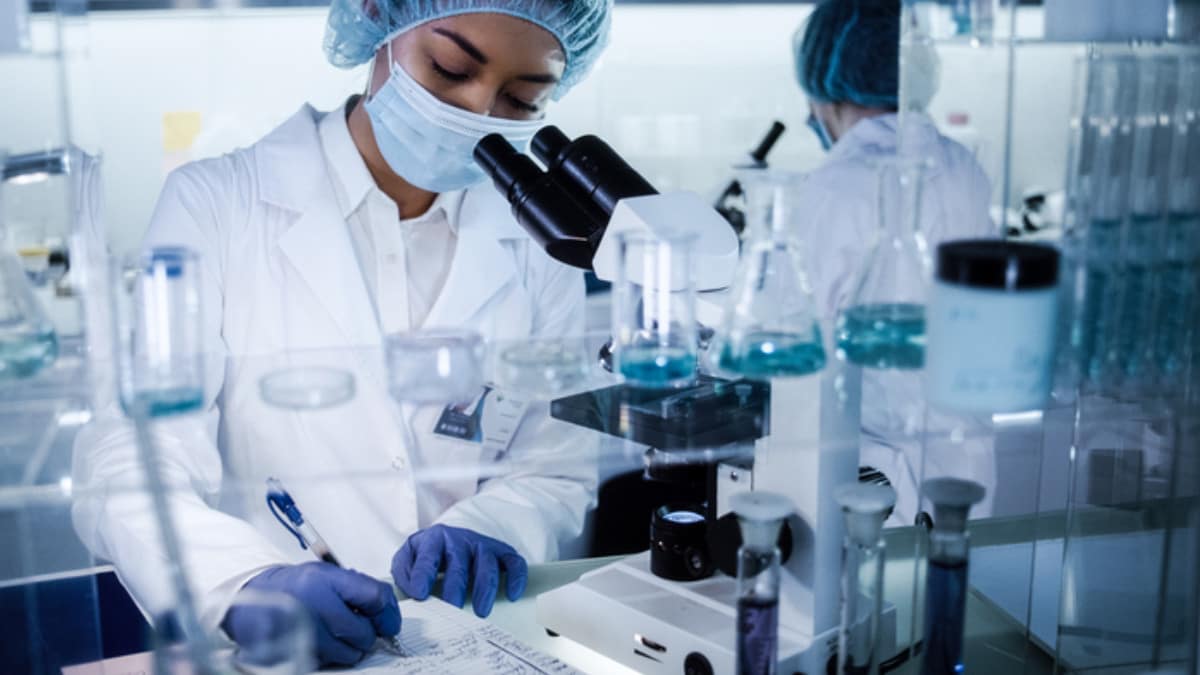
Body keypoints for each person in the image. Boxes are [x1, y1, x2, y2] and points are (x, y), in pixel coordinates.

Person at [71, 0, 611, 667]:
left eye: (520, 100)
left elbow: (555, 462)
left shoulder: (539, 242)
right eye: (447, 69)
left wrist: (488, 527)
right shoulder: (216, 204)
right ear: (379, 18)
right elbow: (131, 450)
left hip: (470, 643)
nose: (476, 111)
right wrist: (242, 583)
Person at [791, 0, 996, 525]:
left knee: (867, 601)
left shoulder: (837, 184)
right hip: (961, 452)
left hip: (873, 463)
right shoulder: (959, 162)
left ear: (823, 92)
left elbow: (806, 335)